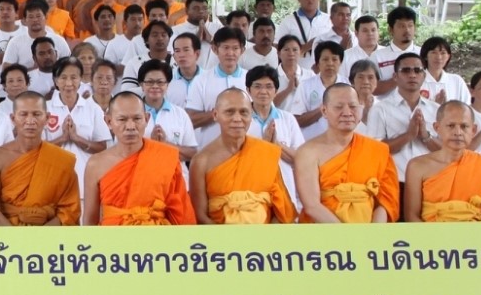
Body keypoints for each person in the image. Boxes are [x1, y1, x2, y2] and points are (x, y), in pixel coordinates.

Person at [82, 93, 193, 226]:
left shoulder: (165, 157)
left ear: (146, 119)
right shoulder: (96, 164)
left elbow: (181, 212)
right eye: (122, 119)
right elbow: (90, 220)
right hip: (112, 241)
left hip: (158, 241)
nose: (130, 126)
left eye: (137, 118)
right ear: (109, 121)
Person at [293, 84, 397, 224]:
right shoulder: (308, 152)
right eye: (339, 107)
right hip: (322, 234)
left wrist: (373, 234)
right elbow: (312, 206)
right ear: (324, 111)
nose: (347, 113)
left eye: (353, 106)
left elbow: (385, 202)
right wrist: (346, 238)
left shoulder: (378, 150)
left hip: (369, 238)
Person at [191, 88, 294, 224]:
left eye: (244, 112)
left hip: (265, 240)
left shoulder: (266, 153)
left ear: (251, 115)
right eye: (229, 112)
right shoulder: (201, 161)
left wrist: (266, 239)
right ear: (215, 115)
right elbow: (200, 216)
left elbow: (280, 210)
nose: (237, 119)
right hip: (220, 240)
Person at [401, 100, 481, 221]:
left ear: (473, 130)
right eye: (451, 126)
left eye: (464, 126)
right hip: (430, 236)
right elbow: (411, 216)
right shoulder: (417, 166)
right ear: (437, 128)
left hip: (476, 237)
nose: (458, 132)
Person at [0, 91, 80, 226]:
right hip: (8, 237)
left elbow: (69, 209)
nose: (30, 120)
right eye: (23, 114)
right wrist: (16, 240)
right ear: (13, 118)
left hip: (49, 237)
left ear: (47, 118)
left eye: (36, 114)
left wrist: (39, 237)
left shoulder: (60, 160)